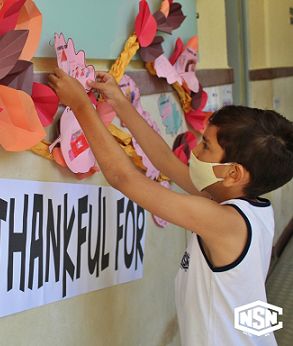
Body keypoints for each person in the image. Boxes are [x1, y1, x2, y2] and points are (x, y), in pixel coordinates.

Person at [48, 67, 293, 345]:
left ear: (233, 173)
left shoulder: (225, 221)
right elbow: (164, 160)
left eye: (206, 145)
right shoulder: (246, 205)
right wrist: (120, 102)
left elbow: (123, 179)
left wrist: (80, 104)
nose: (196, 151)